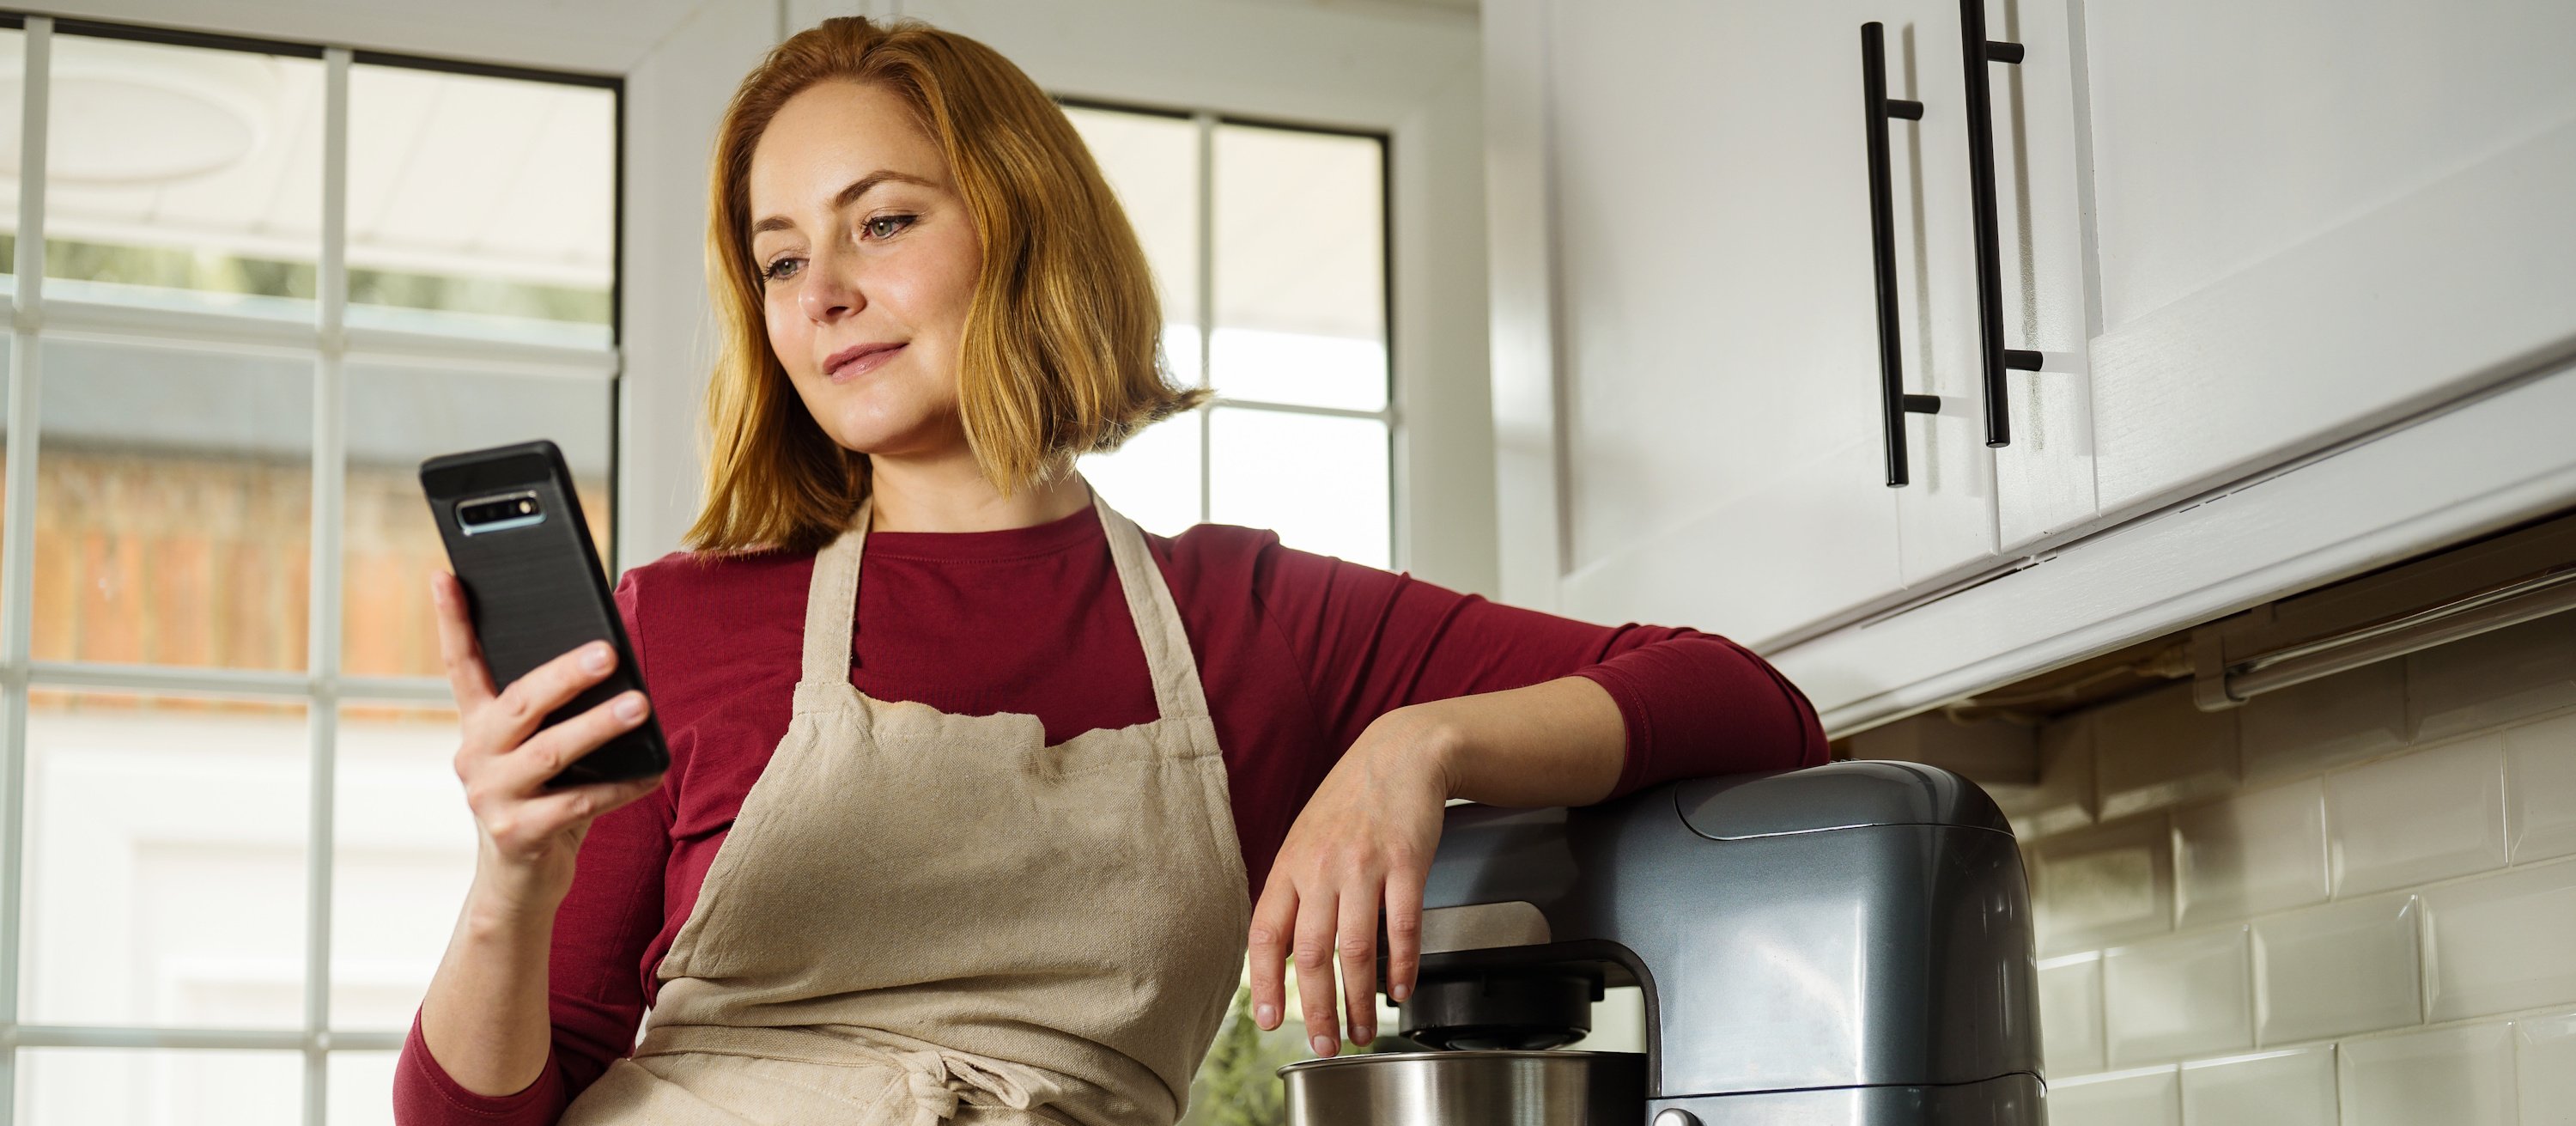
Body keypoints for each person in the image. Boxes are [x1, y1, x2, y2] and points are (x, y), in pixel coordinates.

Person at [392, 15, 1825, 1126]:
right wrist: (516, 875)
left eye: (881, 222)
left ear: (1020, 231)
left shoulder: (1256, 622)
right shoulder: (688, 618)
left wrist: (1418, 742)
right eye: (779, 259)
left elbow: (1752, 703)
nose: (820, 291)